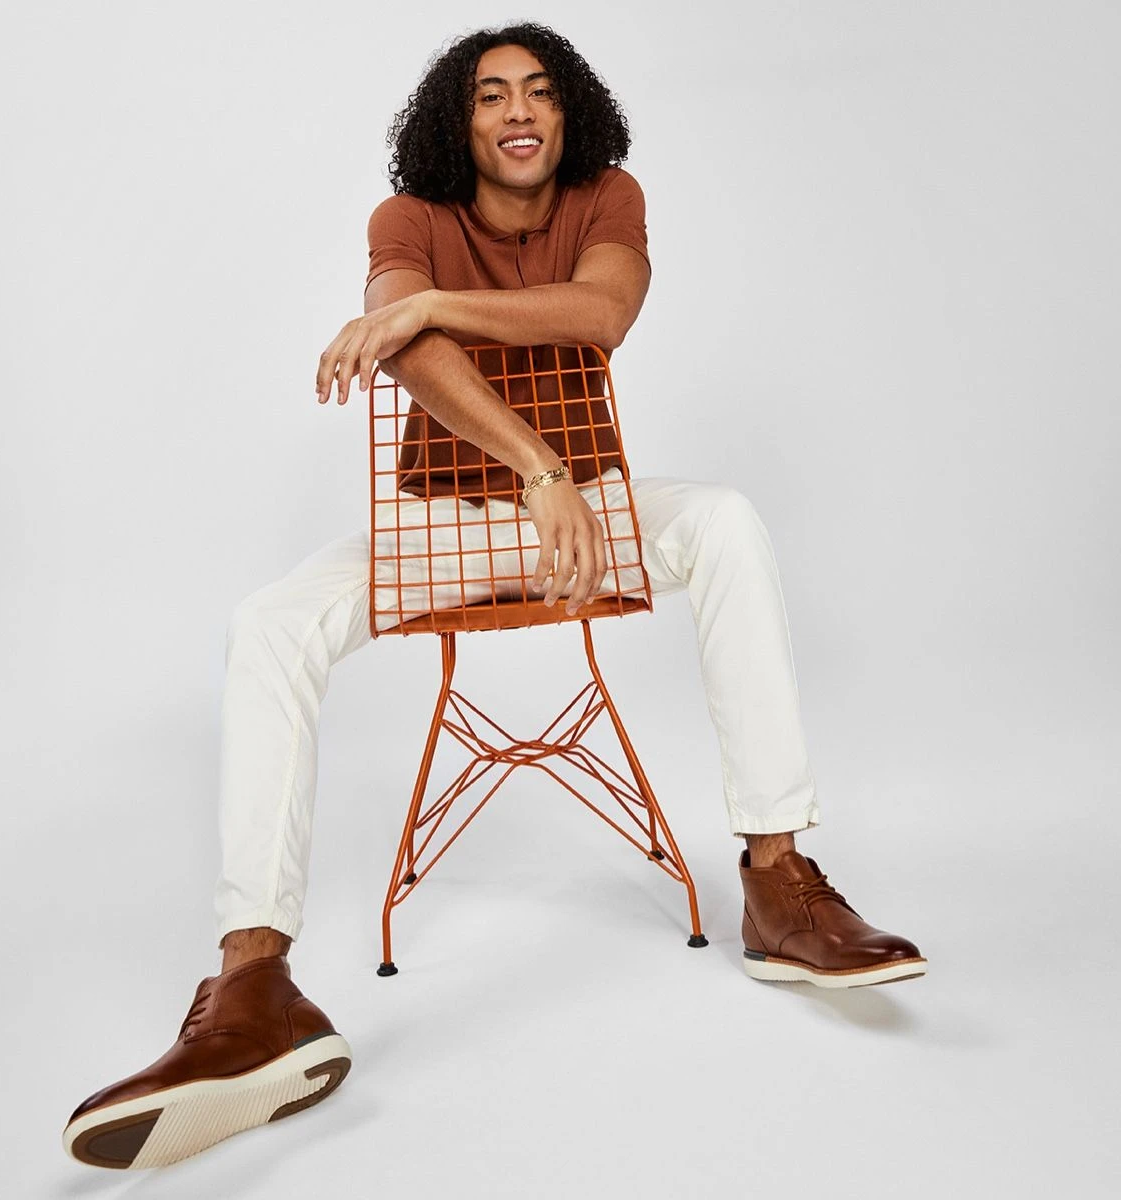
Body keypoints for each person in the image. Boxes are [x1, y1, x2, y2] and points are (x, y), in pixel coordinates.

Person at [63, 22, 926, 1171]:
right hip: (450, 527)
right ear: (456, 121)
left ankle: (778, 885)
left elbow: (598, 313)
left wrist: (430, 309)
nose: (518, 110)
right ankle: (253, 985)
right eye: (489, 95)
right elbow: (405, 352)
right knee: (269, 624)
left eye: (539, 91)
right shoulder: (408, 219)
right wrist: (533, 464)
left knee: (724, 520)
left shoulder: (608, 197)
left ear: (569, 112)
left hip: (591, 522)